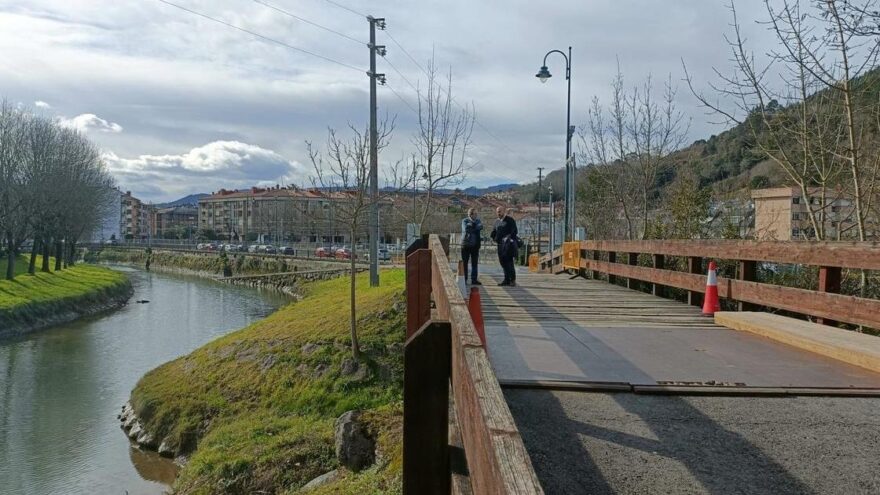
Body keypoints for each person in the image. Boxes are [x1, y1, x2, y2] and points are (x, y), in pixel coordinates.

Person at [490, 206, 518, 286]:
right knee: (503, 263)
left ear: (504, 211)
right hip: (500, 245)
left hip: (508, 245)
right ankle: (506, 279)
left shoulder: (510, 220)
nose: (498, 213)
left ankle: (512, 280)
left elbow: (515, 231)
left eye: (500, 211)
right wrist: (494, 238)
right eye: (497, 211)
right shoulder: (496, 222)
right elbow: (493, 232)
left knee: (509, 262)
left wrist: (508, 238)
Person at [460, 208, 483, 285]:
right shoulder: (464, 221)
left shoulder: (478, 221)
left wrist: (472, 226)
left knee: (474, 263)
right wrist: (475, 227)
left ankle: (474, 280)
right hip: (466, 245)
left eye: (477, 214)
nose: (476, 215)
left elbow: (481, 227)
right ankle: (465, 279)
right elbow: (466, 229)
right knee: (465, 263)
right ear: (470, 214)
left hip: (475, 245)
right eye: (475, 214)